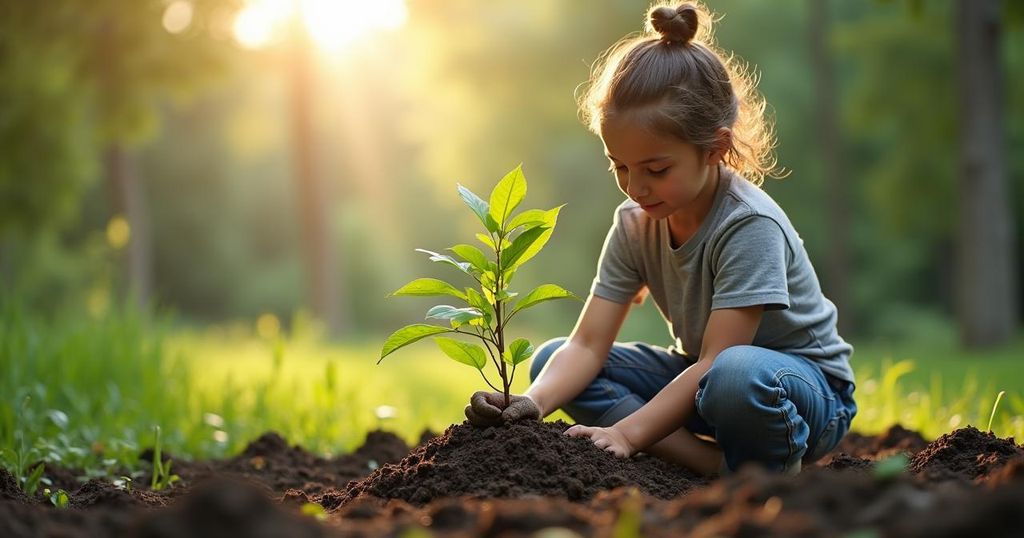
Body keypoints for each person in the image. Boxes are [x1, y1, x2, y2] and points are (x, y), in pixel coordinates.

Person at [464, 1, 856, 476]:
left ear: (715, 148)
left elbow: (716, 359)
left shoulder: (748, 224)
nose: (635, 186)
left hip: (799, 391)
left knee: (735, 374)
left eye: (656, 169)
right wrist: (531, 401)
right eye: (620, 166)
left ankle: (768, 472)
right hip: (705, 379)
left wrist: (626, 433)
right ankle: (713, 466)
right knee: (554, 362)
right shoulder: (635, 221)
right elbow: (588, 344)